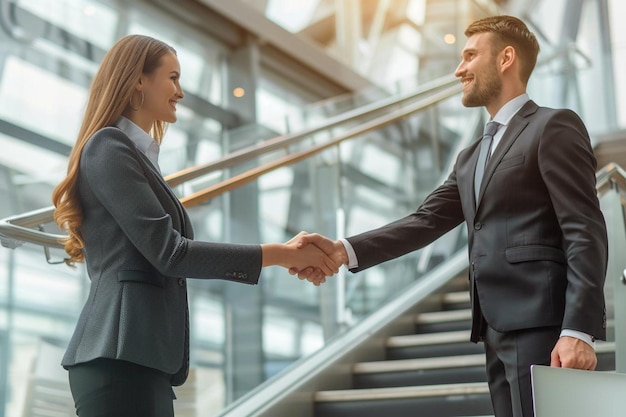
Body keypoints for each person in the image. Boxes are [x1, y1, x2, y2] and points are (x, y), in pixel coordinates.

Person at [293, 15, 608, 417]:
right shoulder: (471, 155)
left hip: (541, 327)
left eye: (470, 56)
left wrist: (577, 330)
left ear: (506, 58)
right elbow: (424, 221)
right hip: (493, 329)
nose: (459, 69)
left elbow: (584, 229)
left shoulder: (552, 126)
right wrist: (343, 250)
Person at [51, 34, 338, 417]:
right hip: (118, 358)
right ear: (138, 79)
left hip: (140, 358)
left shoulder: (136, 156)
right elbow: (170, 253)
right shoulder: (108, 146)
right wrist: (279, 254)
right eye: (172, 78)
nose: (180, 92)